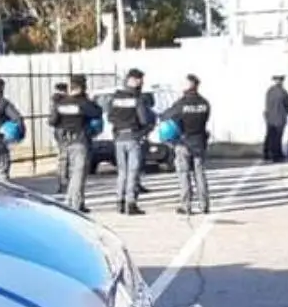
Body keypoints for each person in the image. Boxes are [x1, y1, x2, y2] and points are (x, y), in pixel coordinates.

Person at [48, 74, 103, 213]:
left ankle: (74, 201)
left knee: (72, 173)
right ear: (82, 87)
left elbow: (52, 121)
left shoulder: (61, 103)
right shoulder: (83, 103)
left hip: (65, 142)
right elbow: (97, 112)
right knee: (79, 174)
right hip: (79, 141)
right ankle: (74, 203)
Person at [162, 74, 213, 215]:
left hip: (183, 143)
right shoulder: (205, 103)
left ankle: (186, 205)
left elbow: (166, 116)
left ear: (188, 85)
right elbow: (205, 120)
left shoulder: (181, 104)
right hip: (200, 142)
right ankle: (204, 205)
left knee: (184, 174)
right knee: (200, 174)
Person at [106, 68, 151, 215]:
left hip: (119, 138)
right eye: (141, 80)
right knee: (133, 171)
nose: (142, 83)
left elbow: (110, 117)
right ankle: (131, 203)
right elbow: (144, 119)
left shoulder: (115, 98)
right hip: (133, 137)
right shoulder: (137, 99)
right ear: (135, 80)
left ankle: (119, 201)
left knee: (122, 172)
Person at [263, 75, 288, 162]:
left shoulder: (270, 91)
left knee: (269, 135)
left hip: (270, 116)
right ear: (281, 81)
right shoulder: (282, 92)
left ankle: (266, 153)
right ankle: (276, 155)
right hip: (279, 116)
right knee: (277, 137)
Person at [51, 81, 69, 194]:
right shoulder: (63, 101)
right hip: (65, 130)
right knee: (65, 158)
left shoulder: (53, 100)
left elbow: (52, 120)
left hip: (58, 130)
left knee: (62, 157)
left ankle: (62, 183)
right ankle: (64, 183)